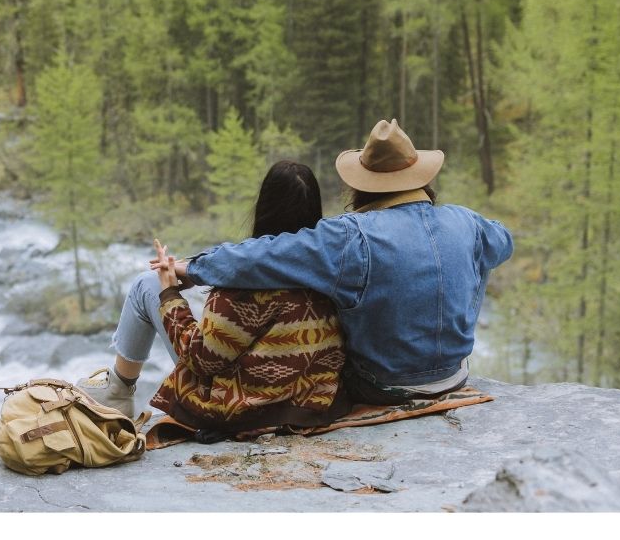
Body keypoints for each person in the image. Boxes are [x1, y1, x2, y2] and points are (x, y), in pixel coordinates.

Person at [153, 119, 513, 405]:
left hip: (382, 386)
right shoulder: (466, 221)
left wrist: (191, 267)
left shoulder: (352, 236)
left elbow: (262, 255)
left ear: (363, 186)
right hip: (454, 375)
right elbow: (503, 241)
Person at [79, 161, 347, 431]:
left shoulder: (243, 279)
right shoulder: (331, 265)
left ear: (263, 207)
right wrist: (199, 272)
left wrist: (169, 292)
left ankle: (118, 392)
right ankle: (117, 391)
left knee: (146, 283)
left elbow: (203, 359)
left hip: (243, 409)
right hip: (311, 402)